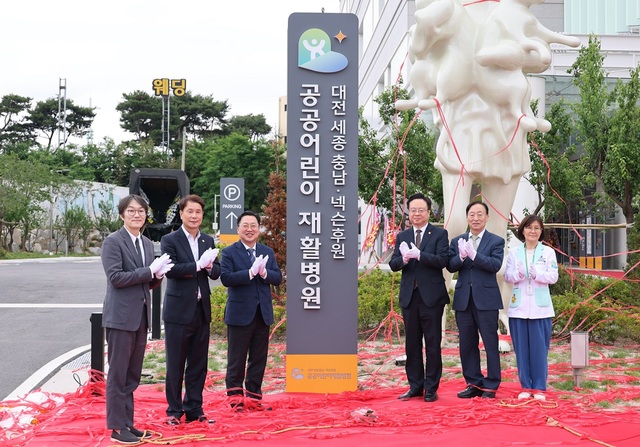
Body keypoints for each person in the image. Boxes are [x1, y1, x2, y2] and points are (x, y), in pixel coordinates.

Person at [101, 194, 173, 444]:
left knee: (132, 376)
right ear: (122, 215)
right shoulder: (113, 242)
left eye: (141, 211)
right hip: (120, 318)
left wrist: (158, 275)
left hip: (140, 317)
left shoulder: (145, 242)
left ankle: (128, 423)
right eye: (131, 211)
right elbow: (116, 278)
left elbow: (146, 281)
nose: (136, 215)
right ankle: (116, 428)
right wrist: (148, 271)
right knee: (118, 375)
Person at [160, 195, 220, 425]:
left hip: (201, 309)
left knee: (198, 364)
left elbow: (216, 271)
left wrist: (210, 266)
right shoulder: (170, 239)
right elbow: (171, 269)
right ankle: (174, 412)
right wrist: (198, 265)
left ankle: (194, 408)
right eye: (190, 212)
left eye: (198, 212)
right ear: (182, 214)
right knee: (175, 364)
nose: (194, 216)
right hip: (178, 311)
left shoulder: (207, 240)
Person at [389, 193, 450, 403]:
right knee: (412, 344)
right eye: (413, 210)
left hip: (431, 297)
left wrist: (420, 255)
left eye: (420, 210)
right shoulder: (403, 236)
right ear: (408, 212)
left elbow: (443, 260)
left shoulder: (439, 234)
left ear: (428, 211)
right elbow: (393, 264)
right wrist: (404, 259)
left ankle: (431, 388)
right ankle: (415, 386)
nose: (416, 213)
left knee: (433, 344)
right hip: (409, 297)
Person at [220, 210, 282, 411]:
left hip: (262, 314)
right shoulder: (229, 252)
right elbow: (226, 278)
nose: (249, 229)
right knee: (236, 360)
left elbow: (278, 277)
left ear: (259, 229)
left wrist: (264, 273)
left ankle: (255, 399)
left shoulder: (267, 251)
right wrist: (249, 273)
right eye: (245, 225)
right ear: (238, 229)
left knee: (258, 359)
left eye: (253, 225)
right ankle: (235, 401)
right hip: (239, 315)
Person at [447, 201, 504, 399]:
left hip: (486, 300)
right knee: (467, 344)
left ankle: (491, 385)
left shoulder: (496, 241)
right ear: (467, 217)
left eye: (480, 214)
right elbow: (451, 266)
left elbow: (495, 265)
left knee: (490, 343)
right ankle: (473, 382)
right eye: (472, 214)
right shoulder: (457, 241)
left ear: (487, 217)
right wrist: (462, 257)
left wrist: (474, 255)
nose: (476, 218)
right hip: (464, 299)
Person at [503, 214, 558, 401]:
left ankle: (539, 387)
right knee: (521, 350)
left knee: (539, 350)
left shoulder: (548, 253)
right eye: (529, 227)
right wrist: (516, 274)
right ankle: (526, 386)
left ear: (541, 231)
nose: (532, 231)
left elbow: (553, 276)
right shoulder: (514, 252)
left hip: (540, 308)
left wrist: (539, 274)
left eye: (536, 228)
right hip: (519, 308)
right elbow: (507, 276)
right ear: (523, 230)